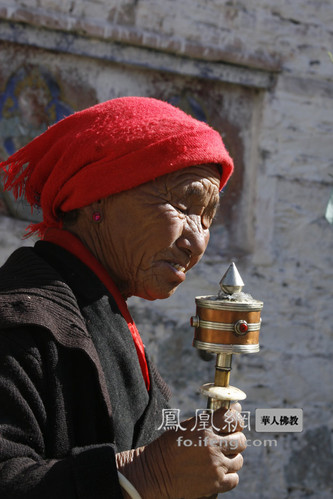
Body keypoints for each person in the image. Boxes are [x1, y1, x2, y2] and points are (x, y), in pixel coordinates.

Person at [0, 97, 246, 498]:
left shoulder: (105, 319)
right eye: (185, 204)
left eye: (208, 218)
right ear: (99, 195)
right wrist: (141, 476)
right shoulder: (19, 322)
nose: (197, 241)